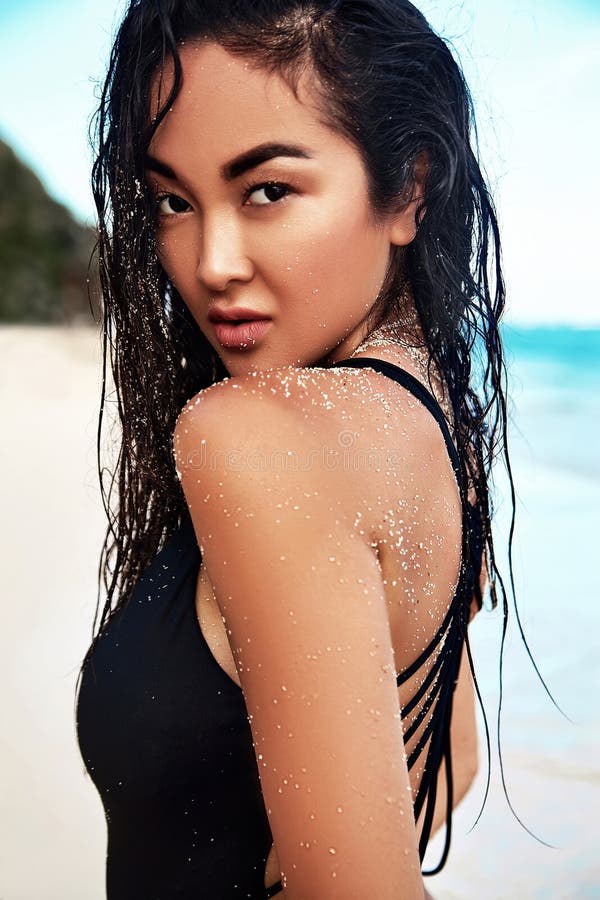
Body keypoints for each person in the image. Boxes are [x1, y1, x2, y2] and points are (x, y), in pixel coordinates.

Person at [76, 1, 506, 898]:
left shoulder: (255, 434)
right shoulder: (438, 432)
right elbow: (449, 762)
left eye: (267, 189)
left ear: (411, 187)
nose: (211, 261)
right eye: (172, 201)